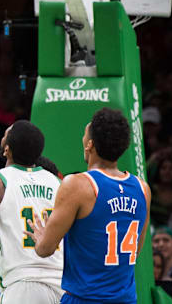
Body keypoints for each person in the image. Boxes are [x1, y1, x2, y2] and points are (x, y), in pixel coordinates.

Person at [24, 108, 151, 304]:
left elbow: (45, 250)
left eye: (84, 135)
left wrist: (41, 237)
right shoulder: (143, 189)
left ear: (89, 144)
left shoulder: (78, 185)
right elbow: (135, 251)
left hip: (85, 299)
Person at [0, 120, 63, 303]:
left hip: (23, 285)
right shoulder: (58, 183)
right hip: (62, 285)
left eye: (5, 134)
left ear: (7, 150)